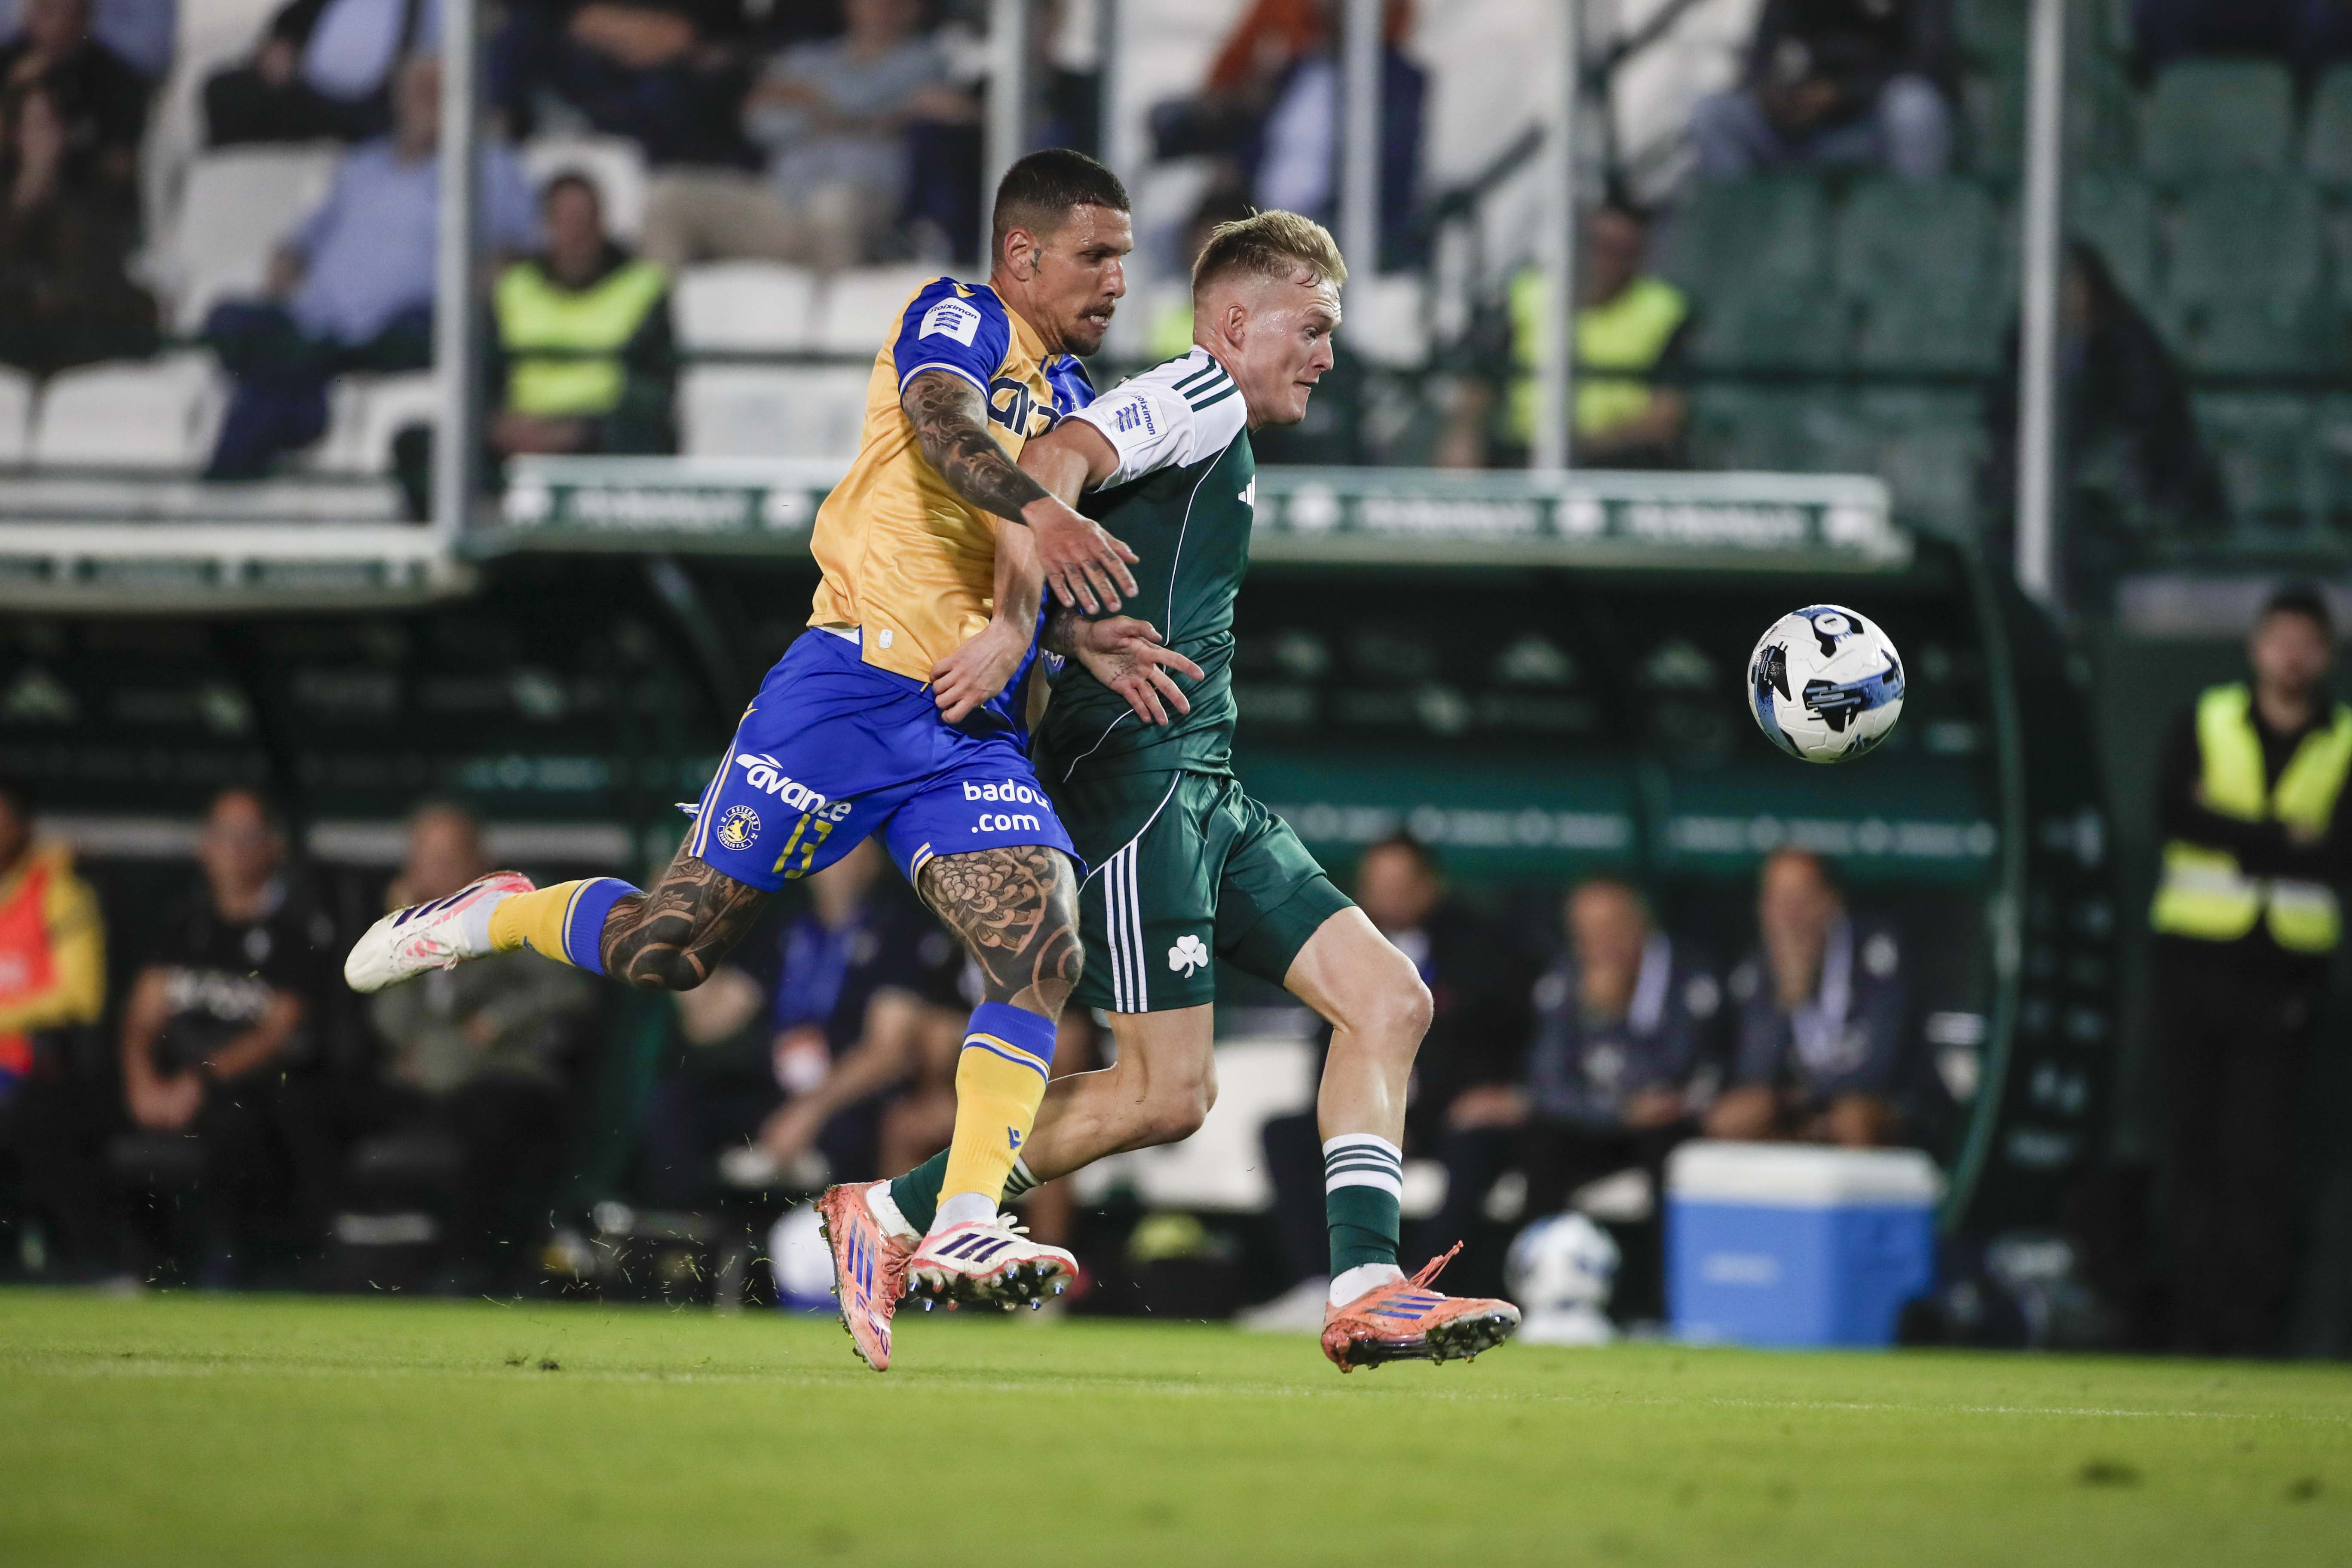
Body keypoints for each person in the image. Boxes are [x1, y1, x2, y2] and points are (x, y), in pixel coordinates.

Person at [346, 150, 1162, 1332]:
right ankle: (495, 913)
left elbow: (1018, 564)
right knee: (666, 950)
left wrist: (1068, 642)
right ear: (1022, 253)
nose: (1117, 280)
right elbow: (941, 425)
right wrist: (1042, 511)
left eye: (1125, 258)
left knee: (1038, 946)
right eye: (1096, 255)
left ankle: (966, 1216)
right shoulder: (958, 315)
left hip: (965, 719)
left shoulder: (1074, 394)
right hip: (845, 689)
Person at [824, 212, 1525, 1375]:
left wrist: (1053, 630)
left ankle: (1366, 1290)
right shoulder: (1194, 393)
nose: (1327, 356)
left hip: (1201, 783)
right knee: (1164, 1095)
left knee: (1388, 1000)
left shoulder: (1216, 425)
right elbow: (1057, 461)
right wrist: (1013, 625)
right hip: (1131, 790)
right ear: (1235, 322)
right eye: (1312, 328)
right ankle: (890, 1214)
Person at [2147, 585, 2348, 1357]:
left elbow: (2338, 851)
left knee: (2261, 1156)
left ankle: (2253, 1332)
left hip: (2285, 977)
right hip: (2193, 965)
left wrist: (2229, 829)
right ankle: (2188, 1326)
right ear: (2256, 646)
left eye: (2306, 643)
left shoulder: (2343, 738)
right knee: (2191, 1145)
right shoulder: (2206, 718)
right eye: (2279, 640)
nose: (2290, 657)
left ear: (2325, 656)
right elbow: (2174, 814)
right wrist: (2280, 838)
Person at [285, 805, 594, 1287]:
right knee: (308, 1103)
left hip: (497, 1074)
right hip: (419, 1084)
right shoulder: (401, 930)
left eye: (449, 859)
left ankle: (468, 1269)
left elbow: (569, 991)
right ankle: (339, 1249)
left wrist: (497, 1020)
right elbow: (391, 1025)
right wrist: (398, 930)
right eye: (424, 860)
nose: (436, 873)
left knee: (494, 1121)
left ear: (481, 863)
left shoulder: (514, 913)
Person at [200, 52, 538, 479]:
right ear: (399, 99)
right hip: (320, 321)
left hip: (408, 325)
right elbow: (299, 244)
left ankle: (240, 459)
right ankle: (300, 405)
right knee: (227, 318)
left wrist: (481, 283)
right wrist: (285, 267)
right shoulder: (361, 165)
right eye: (419, 91)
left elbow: (521, 247)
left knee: (288, 365)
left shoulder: (489, 165)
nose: (428, 102)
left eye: (440, 92)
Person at [1246, 832, 1536, 1325]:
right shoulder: (1340, 951)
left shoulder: (1483, 947)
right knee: (1286, 1134)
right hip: (1373, 1109)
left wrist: (1506, 1094)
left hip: (1450, 1113)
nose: (1388, 898)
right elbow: (1327, 1042)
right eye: (1378, 886)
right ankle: (1321, 1285)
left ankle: (1418, 1292)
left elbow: (1506, 1036)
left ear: (1430, 885)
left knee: (1474, 1144)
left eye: (1401, 885)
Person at [1418, 879, 1721, 1312]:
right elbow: (1547, 1083)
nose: (1598, 944)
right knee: (1541, 1145)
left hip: (1664, 1129)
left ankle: (1663, 1306)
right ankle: (1538, 1298)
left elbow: (1674, 1079)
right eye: (1585, 932)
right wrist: (1616, 1103)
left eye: (1610, 928)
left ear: (1640, 925)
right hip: (1597, 1121)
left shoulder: (1688, 977)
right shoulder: (1565, 978)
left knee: (1668, 1153)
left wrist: (1615, 1023)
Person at [639, 837, 965, 1205]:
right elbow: (707, 1022)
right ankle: (682, 1230)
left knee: (870, 1127)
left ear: (877, 858)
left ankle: (853, 1230)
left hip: (847, 1097)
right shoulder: (786, 927)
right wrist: (673, 932)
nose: (835, 859)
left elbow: (887, 1053)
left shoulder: (899, 930)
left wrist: (809, 1110)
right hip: (778, 1087)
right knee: (675, 1102)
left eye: (851, 845)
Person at [118, 788, 338, 1284]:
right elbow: (141, 1018)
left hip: (243, 1085)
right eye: (222, 834)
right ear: (204, 845)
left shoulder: (297, 928)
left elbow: (278, 1032)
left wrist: (200, 1081)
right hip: (167, 1080)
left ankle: (228, 1268)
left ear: (273, 847)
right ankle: (109, 1266)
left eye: (248, 836)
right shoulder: (180, 922)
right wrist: (140, 1083)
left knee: (242, 1122)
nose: (234, 848)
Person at [391, 169, 677, 518]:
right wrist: (500, 426)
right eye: (563, 222)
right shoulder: (512, 287)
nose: (575, 234)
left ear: (602, 224)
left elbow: (654, 390)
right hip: (517, 430)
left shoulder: (643, 287)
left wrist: (577, 432)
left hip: (599, 436)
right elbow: (483, 375)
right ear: (545, 226)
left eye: (584, 221)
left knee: (643, 437)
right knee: (417, 442)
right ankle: (476, 531)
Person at [638, 0, 972, 272]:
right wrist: (879, 116)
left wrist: (809, 100)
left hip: (860, 202)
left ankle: (830, 333)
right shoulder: (807, 58)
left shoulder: (926, 61)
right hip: (780, 199)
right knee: (670, 195)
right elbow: (761, 122)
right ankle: (660, 324)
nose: (881, 7)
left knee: (834, 210)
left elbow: (857, 102)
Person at [1982, 241, 2225, 606]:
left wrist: (2092, 464)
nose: (2064, 294)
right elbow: (2002, 411)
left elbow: (2148, 419)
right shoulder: (2024, 338)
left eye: (2072, 282)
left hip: (2118, 488)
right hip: (2049, 483)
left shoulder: (2128, 337)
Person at [1438, 202, 1693, 471]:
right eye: (1596, 247)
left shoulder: (1667, 310)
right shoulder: (1522, 296)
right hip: (1522, 457)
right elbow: (1478, 385)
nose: (1604, 262)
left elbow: (1666, 415)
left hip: (1623, 463)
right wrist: (1463, 439)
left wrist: (1578, 447)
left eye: (1620, 252)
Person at [1705, 848, 1909, 1148]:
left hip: (1876, 1104)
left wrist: (1807, 1097)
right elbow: (1755, 1075)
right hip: (1799, 1106)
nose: (1790, 915)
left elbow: (1880, 1068)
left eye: (1802, 899)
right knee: (1733, 1119)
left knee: (1852, 1119)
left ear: (1831, 901)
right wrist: (1785, 1001)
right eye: (1777, 901)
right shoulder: (1756, 971)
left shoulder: (1877, 954)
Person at [0, 774, 118, 1280]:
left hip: (36, 1065)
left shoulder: (59, 893)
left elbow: (82, 998)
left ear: (23, 826)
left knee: (36, 1122)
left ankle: (90, 1262)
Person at [0, 0, 158, 374]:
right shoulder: (8, 64)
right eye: (36, 8)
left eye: (52, 10)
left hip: (83, 219)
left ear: (82, 16)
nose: (38, 19)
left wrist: (57, 162)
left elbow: (119, 171)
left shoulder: (116, 78)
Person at [1687, 0, 1954, 183]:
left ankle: (1917, 225)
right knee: (1712, 114)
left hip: (1872, 130)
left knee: (1914, 105)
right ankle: (1744, 234)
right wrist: (1775, 98)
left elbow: (1930, 64)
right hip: (1804, 132)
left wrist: (1842, 93)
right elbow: (1759, 63)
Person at [203, 0, 440, 147]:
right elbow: (295, 16)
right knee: (223, 91)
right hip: (297, 81)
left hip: (365, 111)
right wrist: (283, 41)